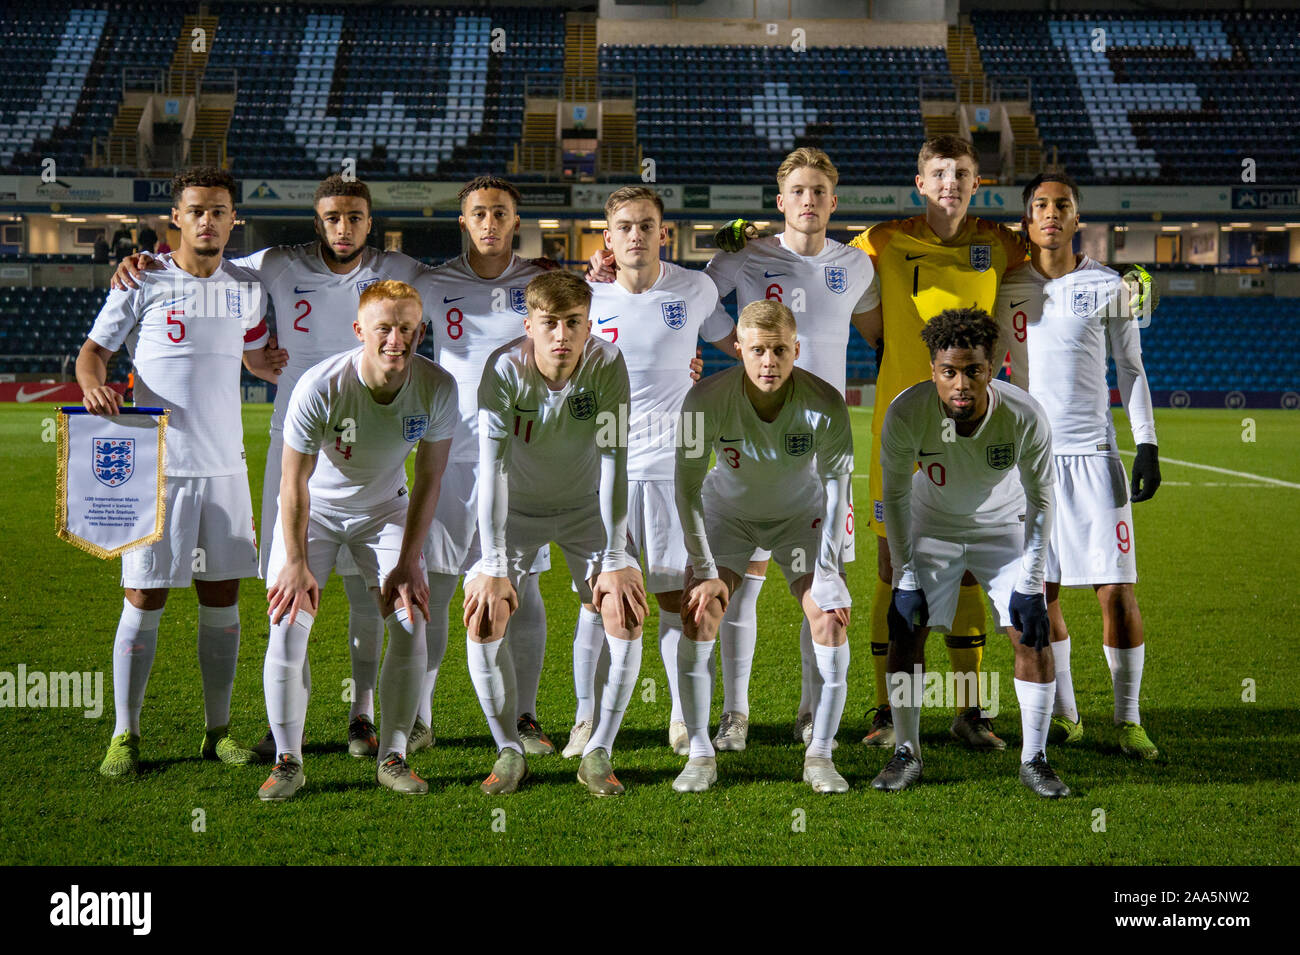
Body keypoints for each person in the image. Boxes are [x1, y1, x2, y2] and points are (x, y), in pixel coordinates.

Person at [112, 175, 427, 762]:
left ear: (369, 222)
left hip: (373, 448)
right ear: (317, 221)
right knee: (288, 593)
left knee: (367, 595)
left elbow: (476, 280)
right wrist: (145, 259)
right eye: (332, 217)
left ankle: (362, 717)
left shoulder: (401, 270)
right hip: (295, 448)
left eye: (354, 217)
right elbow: (204, 260)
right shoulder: (274, 265)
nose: (343, 227)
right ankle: (290, 732)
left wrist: (554, 266)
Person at [590, 148, 880, 752]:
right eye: (797, 190)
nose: (808, 200)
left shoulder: (856, 266)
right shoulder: (740, 255)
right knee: (738, 588)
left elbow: (881, 333)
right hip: (743, 444)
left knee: (823, 584)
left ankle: (809, 714)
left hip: (820, 449)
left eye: (819, 190)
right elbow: (691, 305)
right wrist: (606, 267)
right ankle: (735, 714)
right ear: (780, 201)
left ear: (834, 199)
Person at [76, 166, 284, 777]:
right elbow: (93, 354)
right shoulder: (143, 277)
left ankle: (217, 731)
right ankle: (125, 735)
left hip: (225, 468)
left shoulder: (246, 286)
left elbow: (243, 349)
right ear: (177, 218)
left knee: (223, 601)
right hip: (157, 466)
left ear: (233, 218)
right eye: (197, 210)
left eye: (219, 210)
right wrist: (93, 388)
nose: (209, 220)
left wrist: (264, 363)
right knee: (143, 597)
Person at [850, 136, 1029, 751]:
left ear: (976, 183)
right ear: (919, 183)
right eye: (938, 172)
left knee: (973, 566)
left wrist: (1128, 279)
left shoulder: (1002, 243)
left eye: (961, 172)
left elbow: (1057, 261)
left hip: (974, 428)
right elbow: (816, 263)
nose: (949, 181)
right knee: (890, 566)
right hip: (900, 427)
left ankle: (968, 709)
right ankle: (885, 709)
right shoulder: (881, 240)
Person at [259, 280, 457, 801]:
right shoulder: (319, 386)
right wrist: (297, 561)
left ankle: (393, 754)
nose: (397, 339)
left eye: (408, 328)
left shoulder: (438, 387)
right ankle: (288, 760)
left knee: (410, 621)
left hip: (386, 508)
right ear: (360, 331)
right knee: (287, 623)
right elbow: (292, 482)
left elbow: (431, 479)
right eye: (384, 328)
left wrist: (412, 560)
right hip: (315, 513)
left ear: (421, 330)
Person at [995, 172, 1161, 759]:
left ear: (1076, 217)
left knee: (1116, 591)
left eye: (1061, 204)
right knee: (1044, 594)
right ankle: (1068, 716)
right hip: (1028, 464)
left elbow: (1131, 368)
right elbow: (990, 376)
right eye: (1039, 205)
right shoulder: (1007, 285)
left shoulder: (1109, 285)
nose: (1050, 213)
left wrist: (1146, 443)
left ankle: (1128, 719)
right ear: (1026, 220)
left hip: (1094, 458)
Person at [464, 270, 648, 796]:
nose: (562, 335)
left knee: (624, 604)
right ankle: (507, 749)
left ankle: (598, 751)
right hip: (515, 510)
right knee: (484, 613)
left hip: (586, 508)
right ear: (530, 326)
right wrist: (494, 564)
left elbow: (616, 458)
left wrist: (616, 553)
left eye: (573, 323)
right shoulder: (503, 369)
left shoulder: (608, 363)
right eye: (550, 323)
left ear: (590, 325)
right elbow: (492, 470)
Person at [874, 307, 1066, 797]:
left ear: (993, 367)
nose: (961, 384)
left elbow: (1043, 499)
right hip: (930, 523)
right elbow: (894, 498)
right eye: (949, 372)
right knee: (906, 628)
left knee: (1031, 629)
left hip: (1003, 526)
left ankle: (1035, 759)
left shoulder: (1024, 413)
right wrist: (907, 574)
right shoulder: (905, 411)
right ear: (933, 370)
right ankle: (907, 753)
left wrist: (1031, 582)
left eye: (973, 371)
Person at [580, 185, 735, 757]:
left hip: (675, 464)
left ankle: (678, 716)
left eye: (647, 224)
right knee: (597, 599)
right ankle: (584, 721)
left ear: (663, 232)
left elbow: (739, 346)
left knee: (676, 595)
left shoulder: (695, 288)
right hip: (604, 465)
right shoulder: (587, 298)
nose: (636, 235)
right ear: (608, 236)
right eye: (624, 226)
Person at [675, 300, 855, 793]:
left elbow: (839, 491)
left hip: (801, 518)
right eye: (758, 351)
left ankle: (820, 754)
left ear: (796, 349)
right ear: (738, 350)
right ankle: (699, 752)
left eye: (779, 350)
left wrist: (829, 570)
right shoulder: (703, 401)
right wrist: (704, 565)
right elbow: (686, 487)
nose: (769, 362)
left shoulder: (826, 402)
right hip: (729, 517)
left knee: (828, 616)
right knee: (701, 609)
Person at [419, 175, 559, 757]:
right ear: (464, 221)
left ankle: (525, 716)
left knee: (520, 587)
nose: (490, 222)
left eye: (500, 212)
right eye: (479, 213)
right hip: (452, 458)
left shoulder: (542, 282)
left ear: (515, 220)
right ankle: (419, 718)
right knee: (438, 586)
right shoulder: (429, 283)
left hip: (526, 458)